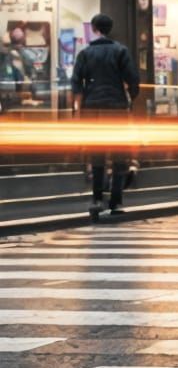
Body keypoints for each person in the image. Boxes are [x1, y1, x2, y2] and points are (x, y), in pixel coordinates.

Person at [70, 13, 139, 220]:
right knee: (119, 156)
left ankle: (96, 199)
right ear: (110, 28)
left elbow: (75, 82)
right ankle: (116, 202)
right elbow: (133, 79)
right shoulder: (121, 51)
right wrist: (130, 99)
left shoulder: (85, 54)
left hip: (92, 109)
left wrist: (79, 106)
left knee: (97, 155)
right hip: (116, 108)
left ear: (93, 28)